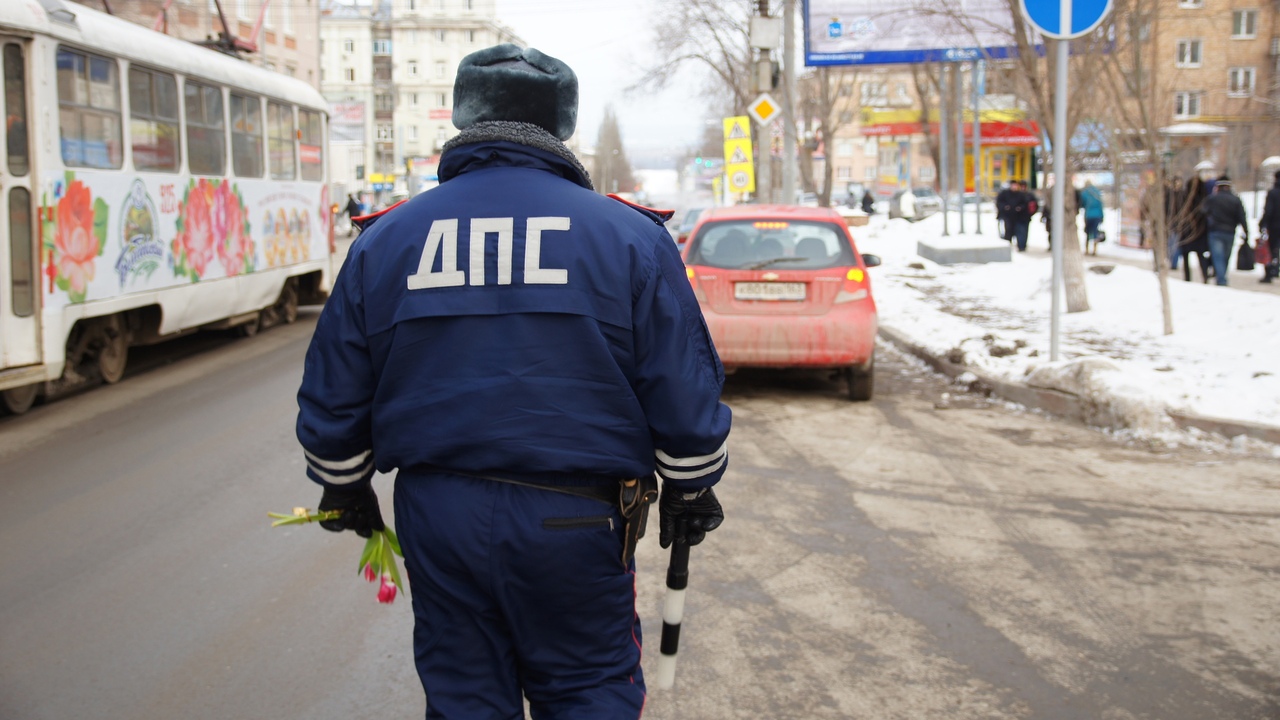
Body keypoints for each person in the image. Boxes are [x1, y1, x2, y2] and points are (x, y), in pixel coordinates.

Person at [295, 44, 732, 718]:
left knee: (466, 695)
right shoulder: (628, 238)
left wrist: (343, 483)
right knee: (588, 689)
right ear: (561, 125)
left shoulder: (388, 240)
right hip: (578, 519)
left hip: (438, 514)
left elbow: (334, 388)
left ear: (463, 117)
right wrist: (691, 485)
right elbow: (684, 388)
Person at [1200, 175, 1248, 286]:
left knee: (1218, 256)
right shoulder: (1235, 199)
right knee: (1226, 256)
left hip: (1215, 231)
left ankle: (1221, 278)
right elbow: (1242, 216)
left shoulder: (1212, 199)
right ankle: (1221, 278)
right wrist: (1246, 231)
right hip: (1230, 231)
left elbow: (1203, 211)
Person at [1259, 169, 1280, 283]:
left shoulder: (1273, 192)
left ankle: (1271, 272)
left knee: (1272, 249)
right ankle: (1275, 269)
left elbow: (1268, 210)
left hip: (1275, 226)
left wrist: (1263, 223)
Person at [1080, 180, 1105, 255]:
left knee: (1088, 232)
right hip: (1097, 215)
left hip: (1088, 215)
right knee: (1095, 232)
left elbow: (1083, 204)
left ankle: (1087, 250)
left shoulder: (1084, 193)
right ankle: (1094, 250)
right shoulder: (1097, 192)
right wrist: (1102, 216)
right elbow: (1101, 205)